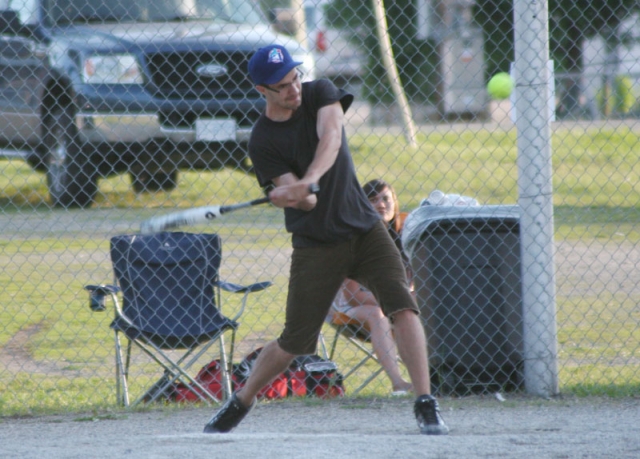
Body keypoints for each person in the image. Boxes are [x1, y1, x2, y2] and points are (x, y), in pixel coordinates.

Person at [203, 44, 448, 435]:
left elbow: (331, 139)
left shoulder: (321, 93)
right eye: (282, 86)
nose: (293, 89)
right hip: (316, 244)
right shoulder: (263, 141)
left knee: (403, 306)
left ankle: (425, 402)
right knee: (293, 342)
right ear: (261, 90)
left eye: (295, 77)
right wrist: (291, 193)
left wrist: (306, 179)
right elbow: (309, 201)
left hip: (365, 230)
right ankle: (241, 400)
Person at [329, 178, 412, 395]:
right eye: (373, 200)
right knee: (378, 314)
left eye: (386, 198)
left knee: (417, 312)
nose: (381, 204)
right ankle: (398, 383)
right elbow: (353, 296)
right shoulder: (355, 238)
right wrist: (396, 303)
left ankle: (431, 381)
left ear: (395, 202)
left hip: (395, 304)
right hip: (349, 308)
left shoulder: (406, 235)